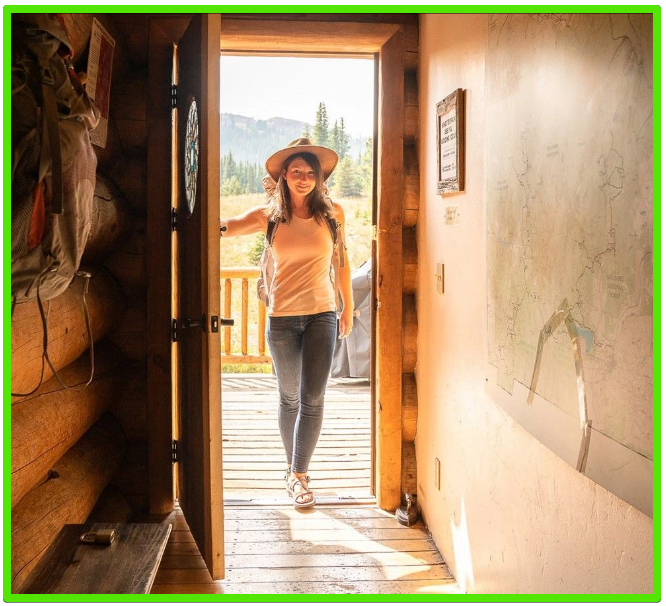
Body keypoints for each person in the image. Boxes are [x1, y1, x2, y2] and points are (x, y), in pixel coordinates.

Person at [220, 138, 354, 508]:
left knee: (313, 397)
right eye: (296, 171)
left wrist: (348, 306)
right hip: (281, 318)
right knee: (289, 396)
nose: (304, 177)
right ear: (283, 176)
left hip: (322, 315)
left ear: (319, 178)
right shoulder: (271, 216)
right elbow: (228, 226)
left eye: (310, 172)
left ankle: (298, 475)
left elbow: (341, 261)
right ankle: (292, 468)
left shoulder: (333, 214)